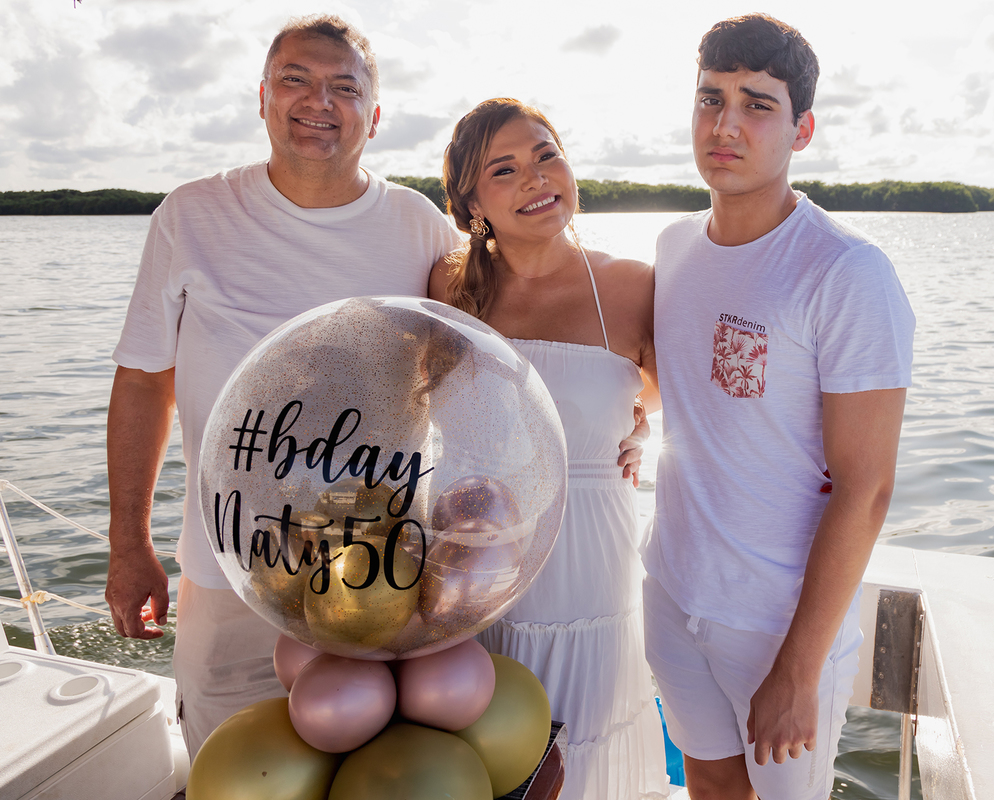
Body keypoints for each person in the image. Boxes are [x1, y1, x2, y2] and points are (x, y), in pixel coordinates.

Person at [104, 14, 464, 757]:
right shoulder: (190, 216)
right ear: (263, 97)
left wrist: (627, 408)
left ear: (374, 115)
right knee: (226, 764)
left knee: (372, 773)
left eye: (344, 87)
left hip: (380, 570)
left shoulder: (420, 227)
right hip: (227, 567)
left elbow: (484, 354)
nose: (318, 102)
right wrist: (128, 544)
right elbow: (142, 383)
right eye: (295, 80)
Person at [642, 13, 916, 800]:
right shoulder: (674, 247)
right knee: (708, 787)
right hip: (672, 589)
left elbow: (867, 489)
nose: (725, 125)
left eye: (757, 105)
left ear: (802, 130)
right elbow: (686, 384)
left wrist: (799, 667)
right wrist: (633, 419)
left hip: (774, 623)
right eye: (711, 98)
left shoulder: (846, 272)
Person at [430, 98, 669, 800]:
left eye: (546, 155)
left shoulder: (632, 285)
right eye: (504, 169)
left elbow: (664, 392)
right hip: (472, 559)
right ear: (473, 203)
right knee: (479, 759)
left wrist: (636, 426)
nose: (536, 179)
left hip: (586, 560)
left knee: (581, 758)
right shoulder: (447, 287)